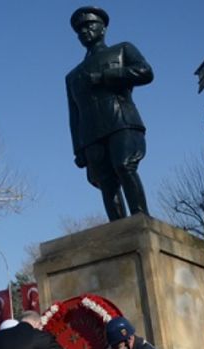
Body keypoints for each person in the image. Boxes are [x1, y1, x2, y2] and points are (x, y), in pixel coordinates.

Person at [65, 6, 154, 222]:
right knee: (106, 182)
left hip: (121, 120)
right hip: (91, 134)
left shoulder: (122, 50)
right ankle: (119, 228)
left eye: (90, 25)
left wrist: (107, 76)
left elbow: (145, 72)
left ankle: (141, 220)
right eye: (80, 29)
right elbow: (73, 114)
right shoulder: (72, 76)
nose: (85, 31)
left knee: (124, 166)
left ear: (102, 28)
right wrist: (78, 149)